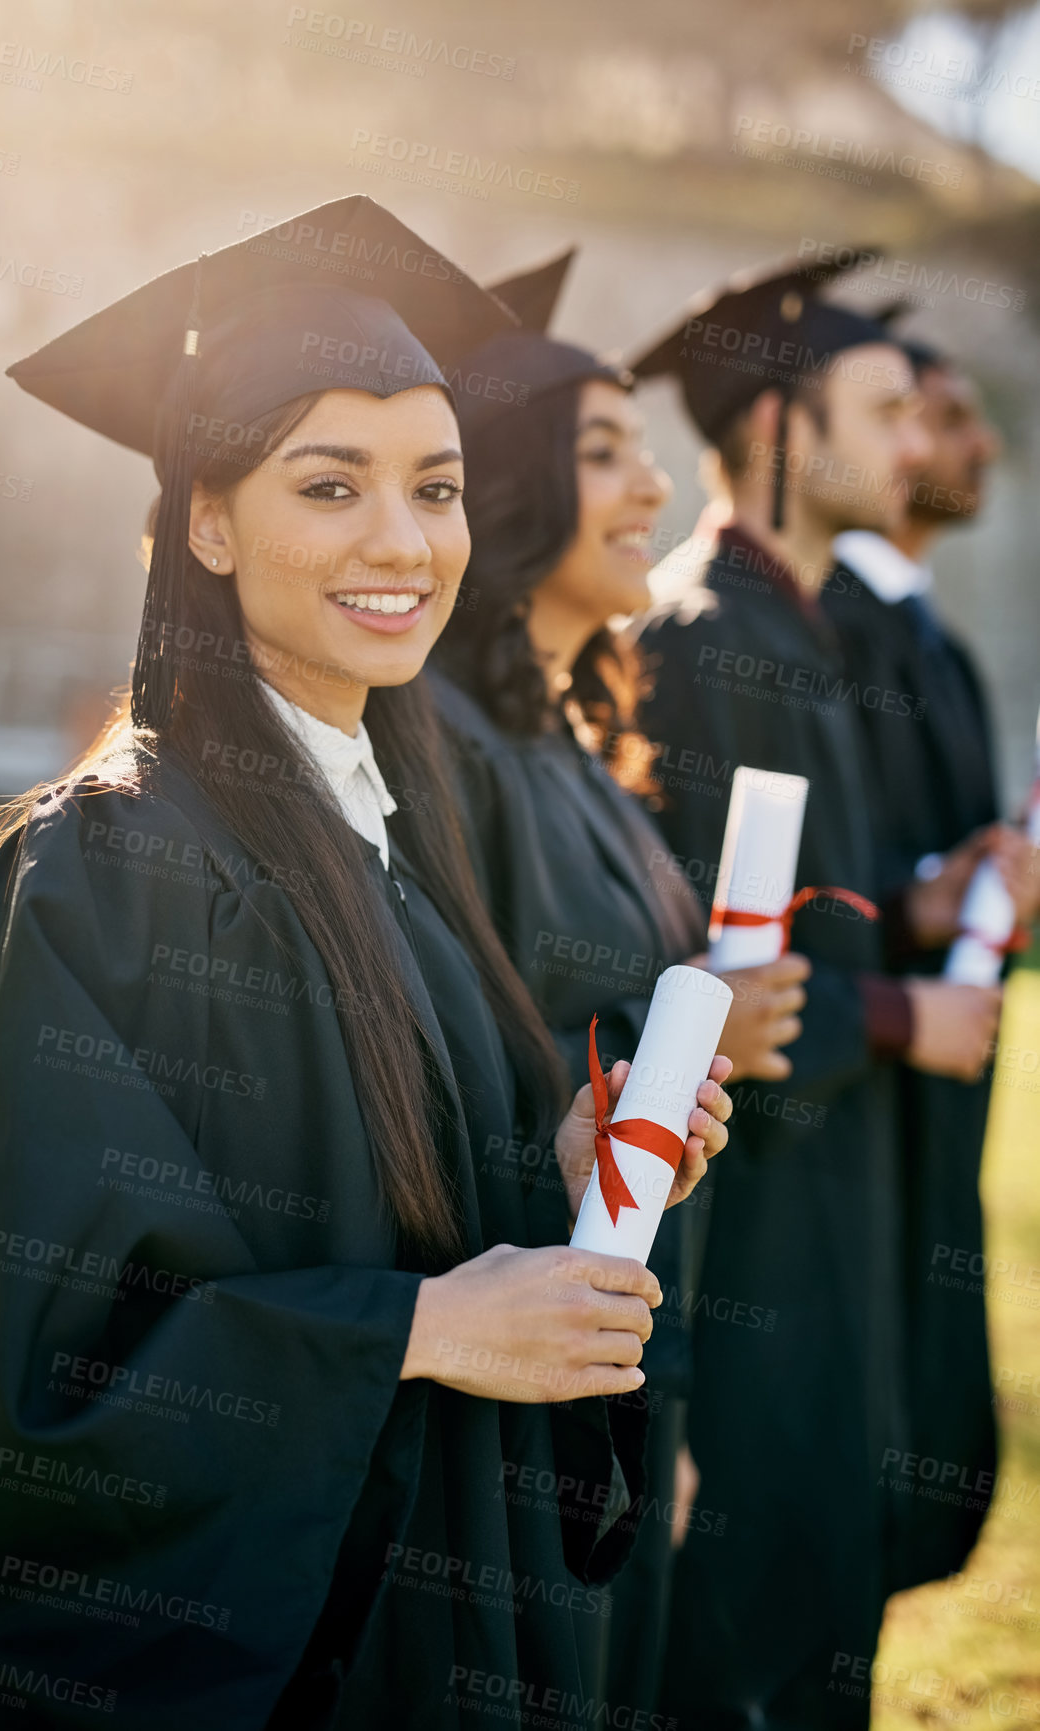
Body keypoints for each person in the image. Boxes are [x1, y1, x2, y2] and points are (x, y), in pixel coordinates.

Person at [0, 196, 733, 1731]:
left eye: (437, 486)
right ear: (206, 522)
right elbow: (45, 1373)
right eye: (328, 485)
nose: (402, 542)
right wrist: (416, 1330)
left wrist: (556, 1164)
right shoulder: (108, 863)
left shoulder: (400, 848)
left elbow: (398, 1211)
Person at [430, 251, 809, 1716]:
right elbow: (469, 1068)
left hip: (615, 1341)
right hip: (515, 1357)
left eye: (645, 448)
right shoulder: (448, 749)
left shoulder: (574, 742)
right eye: (603, 454)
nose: (652, 488)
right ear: (517, 480)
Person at [628, 254, 1003, 1729]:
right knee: (745, 1628)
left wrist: (917, 901)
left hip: (835, 1192)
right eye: (876, 412)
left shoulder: (807, 634)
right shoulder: (700, 641)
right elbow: (686, 980)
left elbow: (798, 912)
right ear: (780, 426)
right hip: (747, 1213)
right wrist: (901, 1013)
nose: (910, 446)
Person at [826, 325, 1040, 1586]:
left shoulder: (930, 635)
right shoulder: (835, 632)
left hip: (936, 1064)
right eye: (944, 416)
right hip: (861, 1071)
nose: (974, 444)